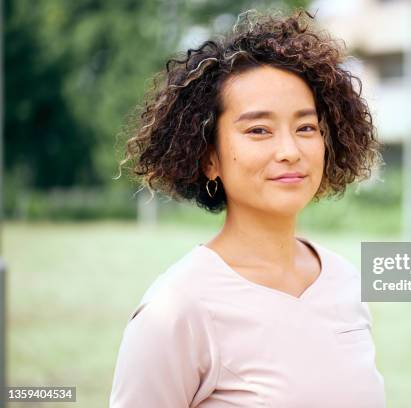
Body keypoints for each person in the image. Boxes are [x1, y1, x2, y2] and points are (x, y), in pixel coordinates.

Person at [109, 9, 386, 408]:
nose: (290, 151)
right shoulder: (177, 310)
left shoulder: (346, 282)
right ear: (209, 158)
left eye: (306, 127)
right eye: (259, 130)